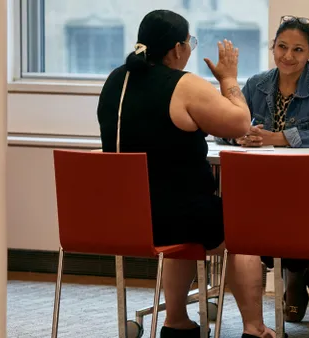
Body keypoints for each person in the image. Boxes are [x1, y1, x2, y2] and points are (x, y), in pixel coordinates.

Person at [97, 10, 278, 338]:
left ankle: (177, 323)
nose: (191, 50)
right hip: (175, 213)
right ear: (177, 49)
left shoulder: (115, 80)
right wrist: (229, 80)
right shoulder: (183, 85)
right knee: (245, 228)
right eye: (190, 43)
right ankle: (255, 328)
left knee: (187, 225)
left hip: (126, 214)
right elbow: (239, 123)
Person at [217, 15, 309, 323]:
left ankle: (298, 268)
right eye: (282, 47)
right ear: (273, 47)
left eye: (297, 50)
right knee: (249, 208)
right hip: (264, 182)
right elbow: (227, 124)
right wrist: (240, 134)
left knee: (293, 208)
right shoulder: (257, 84)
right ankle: (302, 266)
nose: (288, 56)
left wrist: (278, 138)